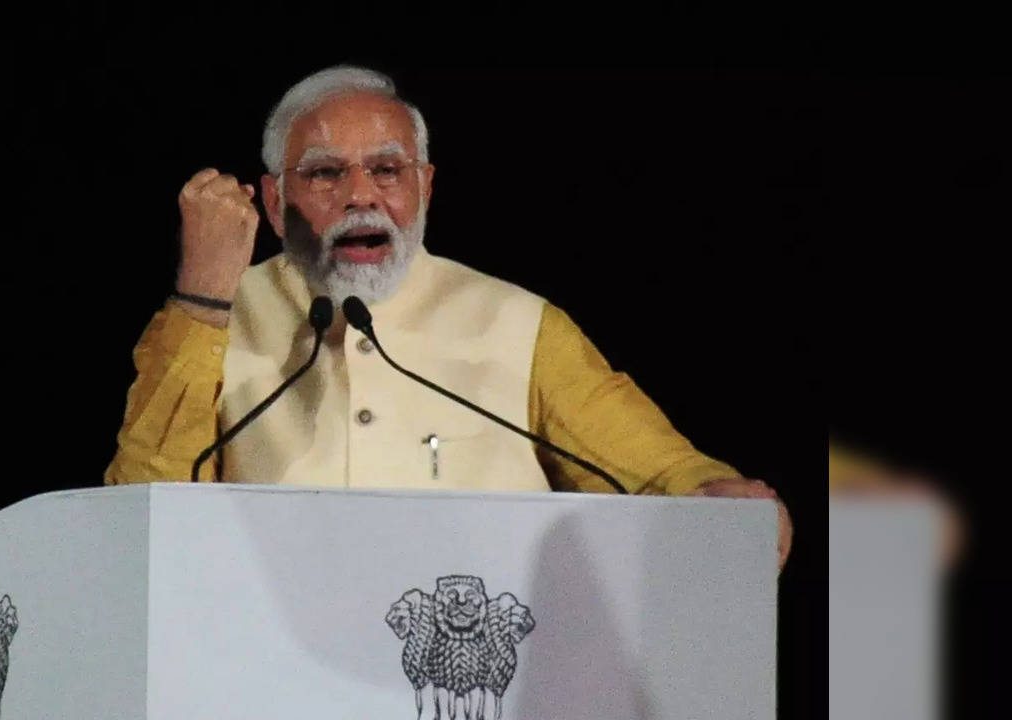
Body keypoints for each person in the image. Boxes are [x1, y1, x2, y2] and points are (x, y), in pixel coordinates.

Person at [104, 66, 793, 569]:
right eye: (324, 174)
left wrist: (719, 501)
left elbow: (664, 474)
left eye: (387, 170)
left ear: (425, 188)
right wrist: (202, 295)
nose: (360, 198)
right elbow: (135, 520)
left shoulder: (517, 325)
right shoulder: (212, 322)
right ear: (276, 203)